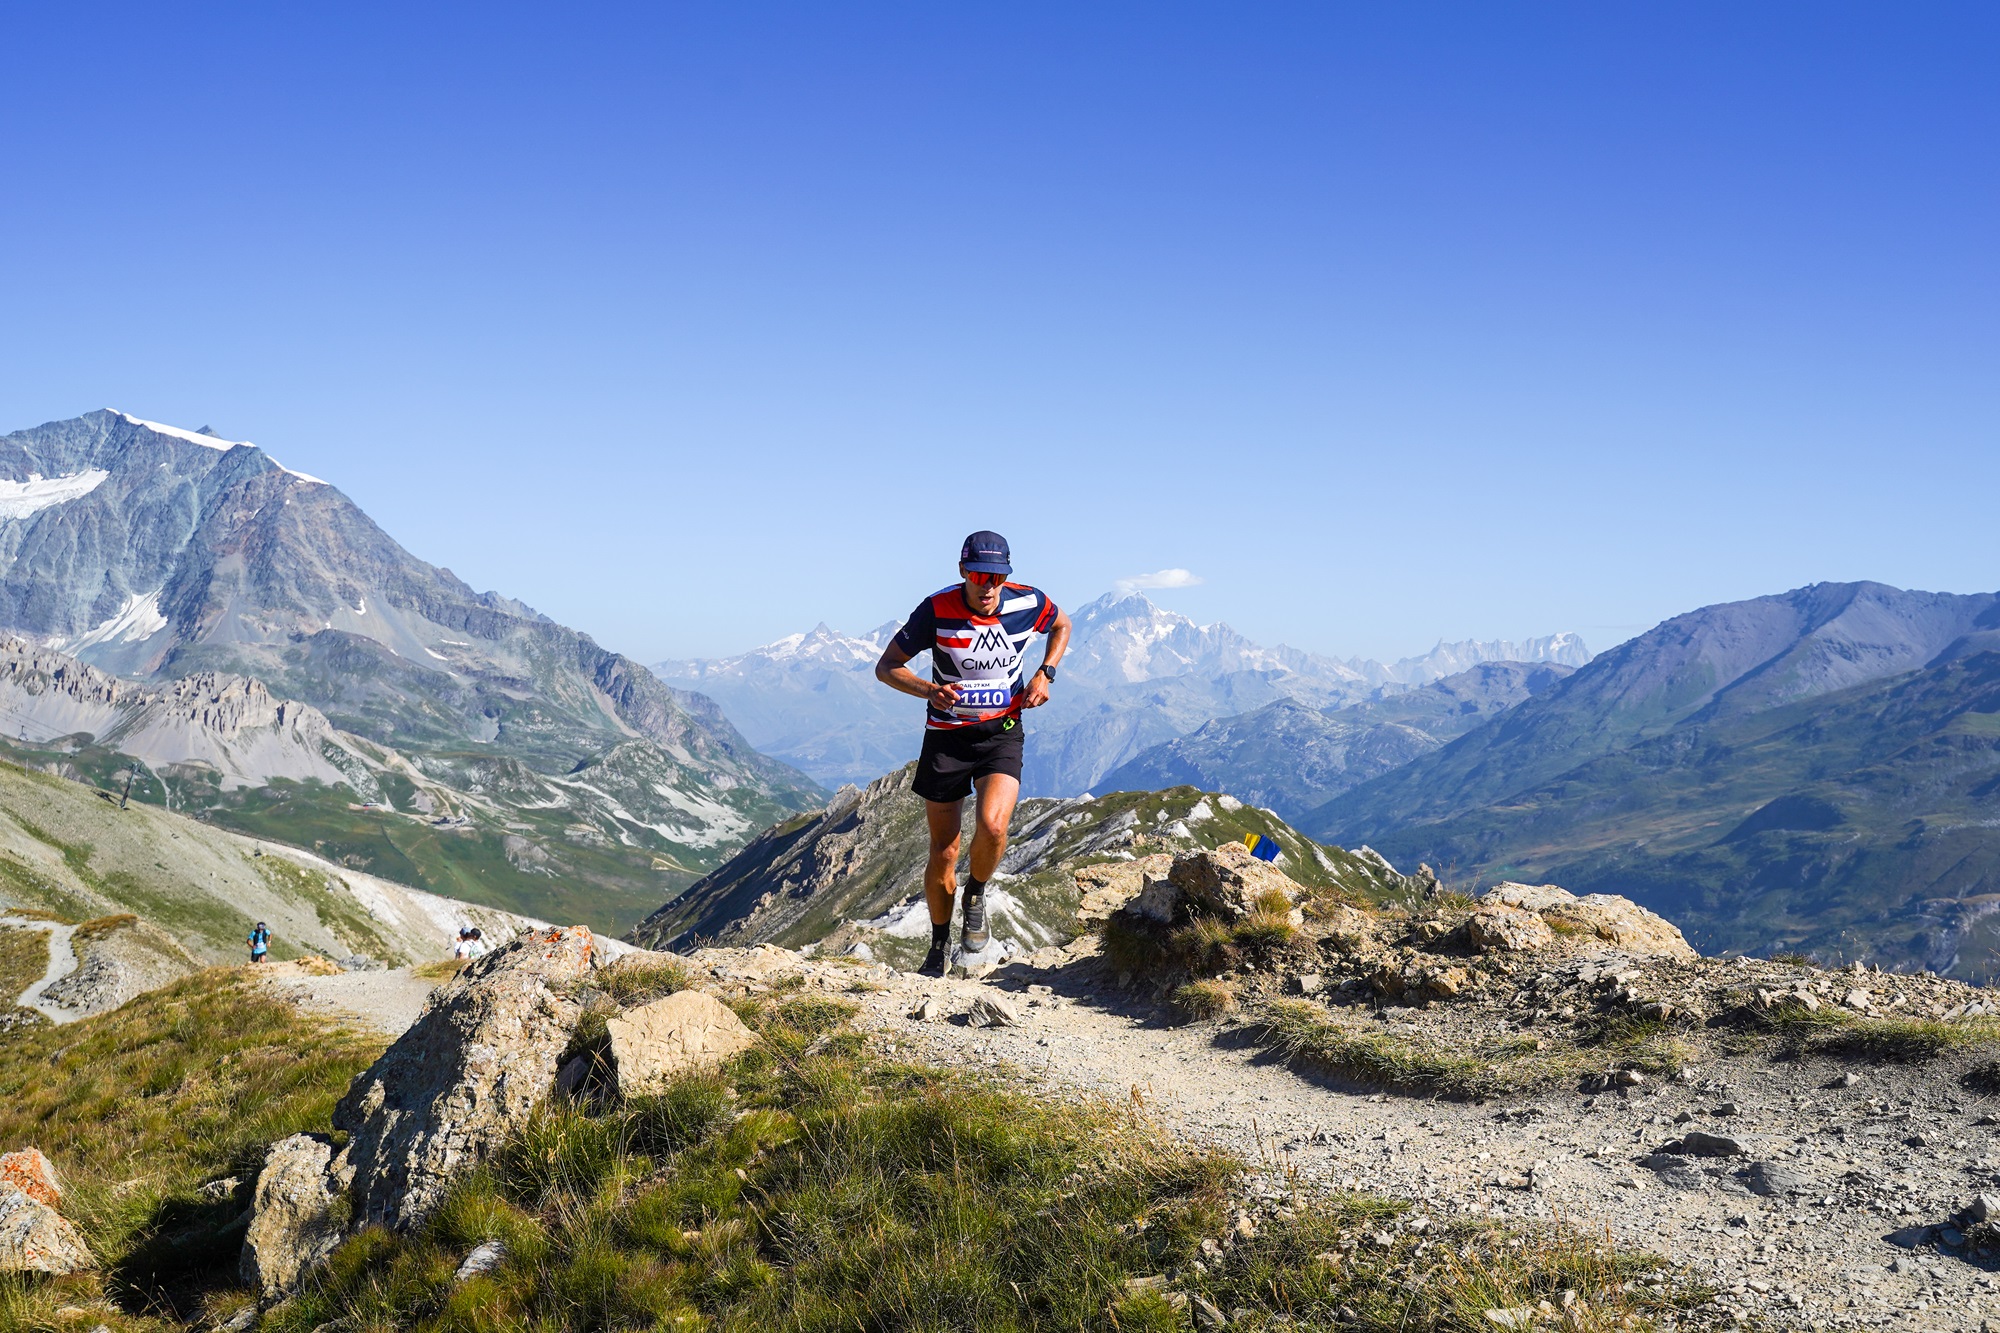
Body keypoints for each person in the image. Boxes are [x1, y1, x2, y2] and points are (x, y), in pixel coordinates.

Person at [875, 530, 1071, 976]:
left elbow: (1062, 624)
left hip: (1001, 732)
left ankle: (977, 893)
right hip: (946, 738)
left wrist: (1046, 673)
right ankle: (939, 945)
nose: (989, 586)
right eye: (980, 576)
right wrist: (929, 690)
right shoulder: (936, 609)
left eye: (998, 577)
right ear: (963, 571)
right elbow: (886, 668)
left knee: (994, 827)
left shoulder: (1027, 602)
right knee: (944, 852)